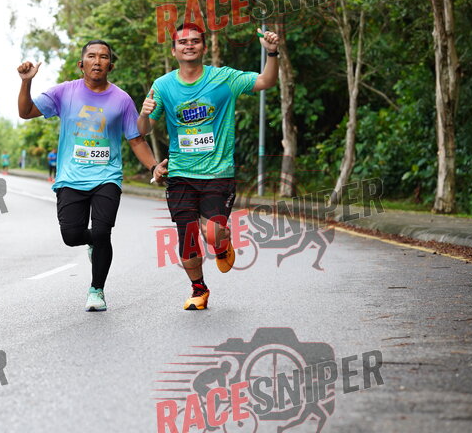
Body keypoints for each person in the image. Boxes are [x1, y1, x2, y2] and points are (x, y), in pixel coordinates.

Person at [17, 40, 166, 311]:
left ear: (111, 65)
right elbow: (25, 112)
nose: (97, 61)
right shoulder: (64, 92)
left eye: (104, 57)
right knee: (71, 235)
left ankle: (97, 290)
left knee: (101, 232)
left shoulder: (121, 99)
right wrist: (27, 82)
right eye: (92, 56)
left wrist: (153, 166)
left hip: (107, 177)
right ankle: (92, 243)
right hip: (71, 177)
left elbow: (136, 139)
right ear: (81, 64)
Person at [138, 23, 279, 310]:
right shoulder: (163, 85)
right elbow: (143, 130)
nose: (189, 45)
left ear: (203, 47)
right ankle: (199, 289)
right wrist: (143, 114)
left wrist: (272, 53)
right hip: (180, 174)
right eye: (182, 42)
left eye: (195, 41)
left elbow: (266, 81)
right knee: (188, 236)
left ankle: (222, 244)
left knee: (213, 233)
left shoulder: (224, 78)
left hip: (218, 172)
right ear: (174, 50)